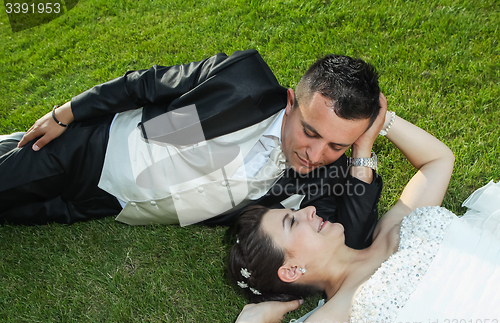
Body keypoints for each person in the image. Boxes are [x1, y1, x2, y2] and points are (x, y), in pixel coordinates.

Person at [0, 50, 383, 249]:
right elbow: (144, 85)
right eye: (310, 132)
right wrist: (65, 113)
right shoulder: (242, 83)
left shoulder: (322, 177)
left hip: (107, 207)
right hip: (92, 149)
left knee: (13, 213)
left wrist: (363, 149)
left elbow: (349, 242)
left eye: (337, 145)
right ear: (289, 103)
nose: (315, 154)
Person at [229, 95, 500, 323]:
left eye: (296, 211)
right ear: (290, 270)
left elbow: (438, 162)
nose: (308, 210)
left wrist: (378, 123)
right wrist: (252, 319)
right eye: (291, 221)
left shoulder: (392, 228)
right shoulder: (330, 322)